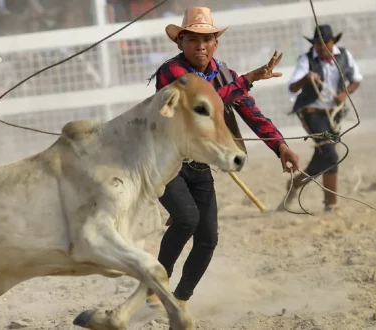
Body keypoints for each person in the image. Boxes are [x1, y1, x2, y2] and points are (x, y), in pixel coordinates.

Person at [145, 6, 301, 308]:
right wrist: (249, 78)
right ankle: (155, 284)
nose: (200, 46)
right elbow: (200, 103)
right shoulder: (171, 72)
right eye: (193, 40)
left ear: (216, 42)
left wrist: (280, 146)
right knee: (188, 218)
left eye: (207, 39)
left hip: (200, 164)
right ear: (180, 44)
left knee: (208, 238)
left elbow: (251, 113)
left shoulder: (226, 75)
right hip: (167, 162)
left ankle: (180, 300)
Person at [278, 24, 363, 212]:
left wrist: (344, 94)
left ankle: (298, 183)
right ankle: (330, 204)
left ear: (333, 42)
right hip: (311, 112)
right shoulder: (306, 60)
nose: (321, 47)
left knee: (324, 155)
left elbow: (356, 79)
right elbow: (292, 87)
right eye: (318, 44)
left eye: (325, 43)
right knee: (330, 154)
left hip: (334, 114)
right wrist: (306, 79)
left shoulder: (344, 56)